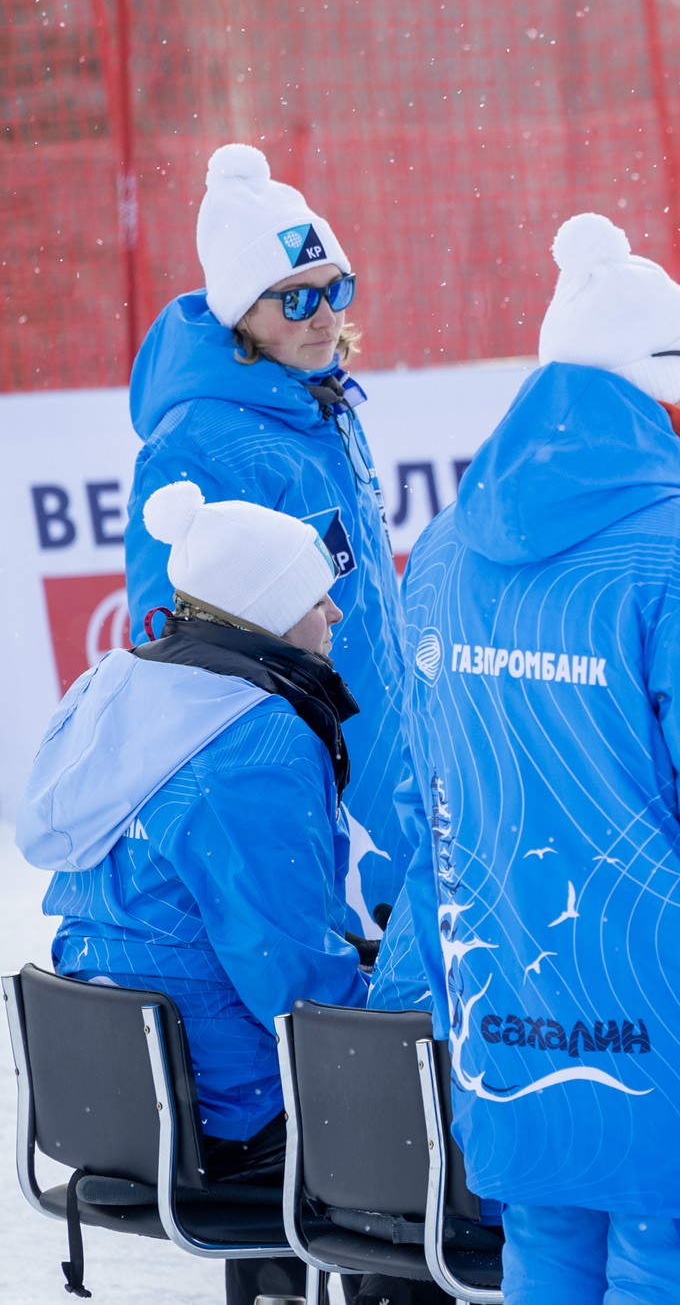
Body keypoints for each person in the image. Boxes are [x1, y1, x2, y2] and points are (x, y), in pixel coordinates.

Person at [395, 213, 680, 1303]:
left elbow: (431, 816)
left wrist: (447, 992)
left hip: (511, 1016)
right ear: (666, 397)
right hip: (672, 1027)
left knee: (547, 1261)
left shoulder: (446, 554)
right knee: (669, 1272)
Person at [18, 481, 366, 1304]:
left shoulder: (120, 687)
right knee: (422, 1125)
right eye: (317, 594)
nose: (335, 613)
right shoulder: (255, 736)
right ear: (270, 610)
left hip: (120, 1095)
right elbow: (289, 979)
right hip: (223, 1109)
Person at [125, 142, 411, 935]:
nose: (323, 314)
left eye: (335, 290)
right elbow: (167, 634)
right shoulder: (198, 442)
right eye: (293, 299)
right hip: (307, 770)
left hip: (385, 746)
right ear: (239, 313)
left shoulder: (321, 404)